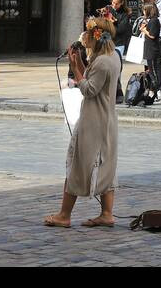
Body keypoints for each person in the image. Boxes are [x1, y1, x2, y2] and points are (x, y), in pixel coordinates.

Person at [45, 17, 121, 227]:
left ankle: (64, 215)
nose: (83, 37)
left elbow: (88, 89)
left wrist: (75, 68)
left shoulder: (103, 62)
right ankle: (107, 213)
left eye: (86, 33)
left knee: (78, 164)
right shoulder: (111, 55)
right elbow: (90, 76)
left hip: (94, 121)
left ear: (96, 35)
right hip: (106, 119)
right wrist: (78, 61)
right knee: (106, 165)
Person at [131, 0, 161, 103]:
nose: (143, 0)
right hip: (147, 36)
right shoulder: (150, 4)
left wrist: (146, 21)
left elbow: (160, 20)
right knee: (148, 64)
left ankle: (158, 90)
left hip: (158, 37)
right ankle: (150, 87)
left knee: (156, 64)